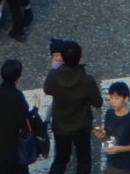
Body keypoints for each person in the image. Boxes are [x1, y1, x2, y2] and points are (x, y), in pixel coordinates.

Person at [45, 40, 104, 174]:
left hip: (60, 125)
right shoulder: (87, 80)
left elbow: (47, 90)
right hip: (81, 126)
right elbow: (98, 103)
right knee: (83, 158)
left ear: (63, 58)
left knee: (60, 159)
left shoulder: (54, 76)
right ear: (80, 57)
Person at [0, 59, 38, 174]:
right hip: (12, 143)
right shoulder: (17, 96)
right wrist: (36, 108)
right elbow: (24, 117)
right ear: (18, 77)